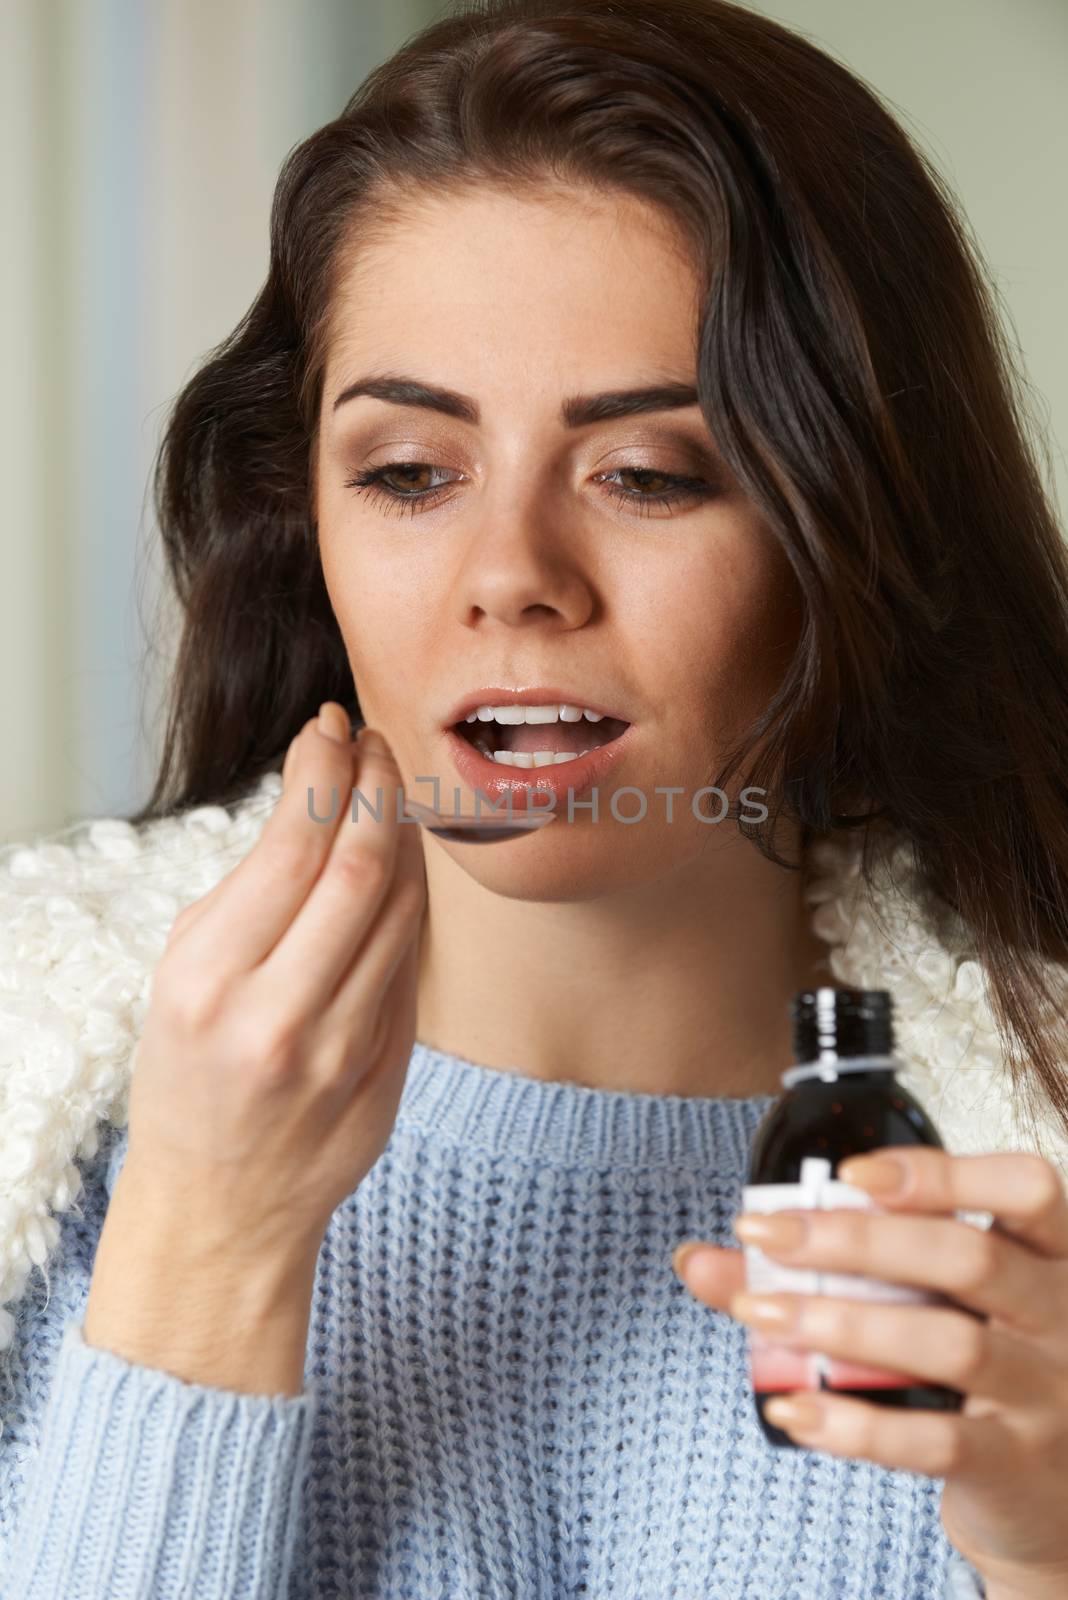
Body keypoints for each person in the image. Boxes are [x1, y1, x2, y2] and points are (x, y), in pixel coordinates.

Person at [2, 1, 1068, 1596]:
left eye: (647, 475)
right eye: (410, 474)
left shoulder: (1028, 1193)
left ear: (850, 525)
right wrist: (204, 1244)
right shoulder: (50, 1096)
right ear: (304, 524)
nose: (511, 577)